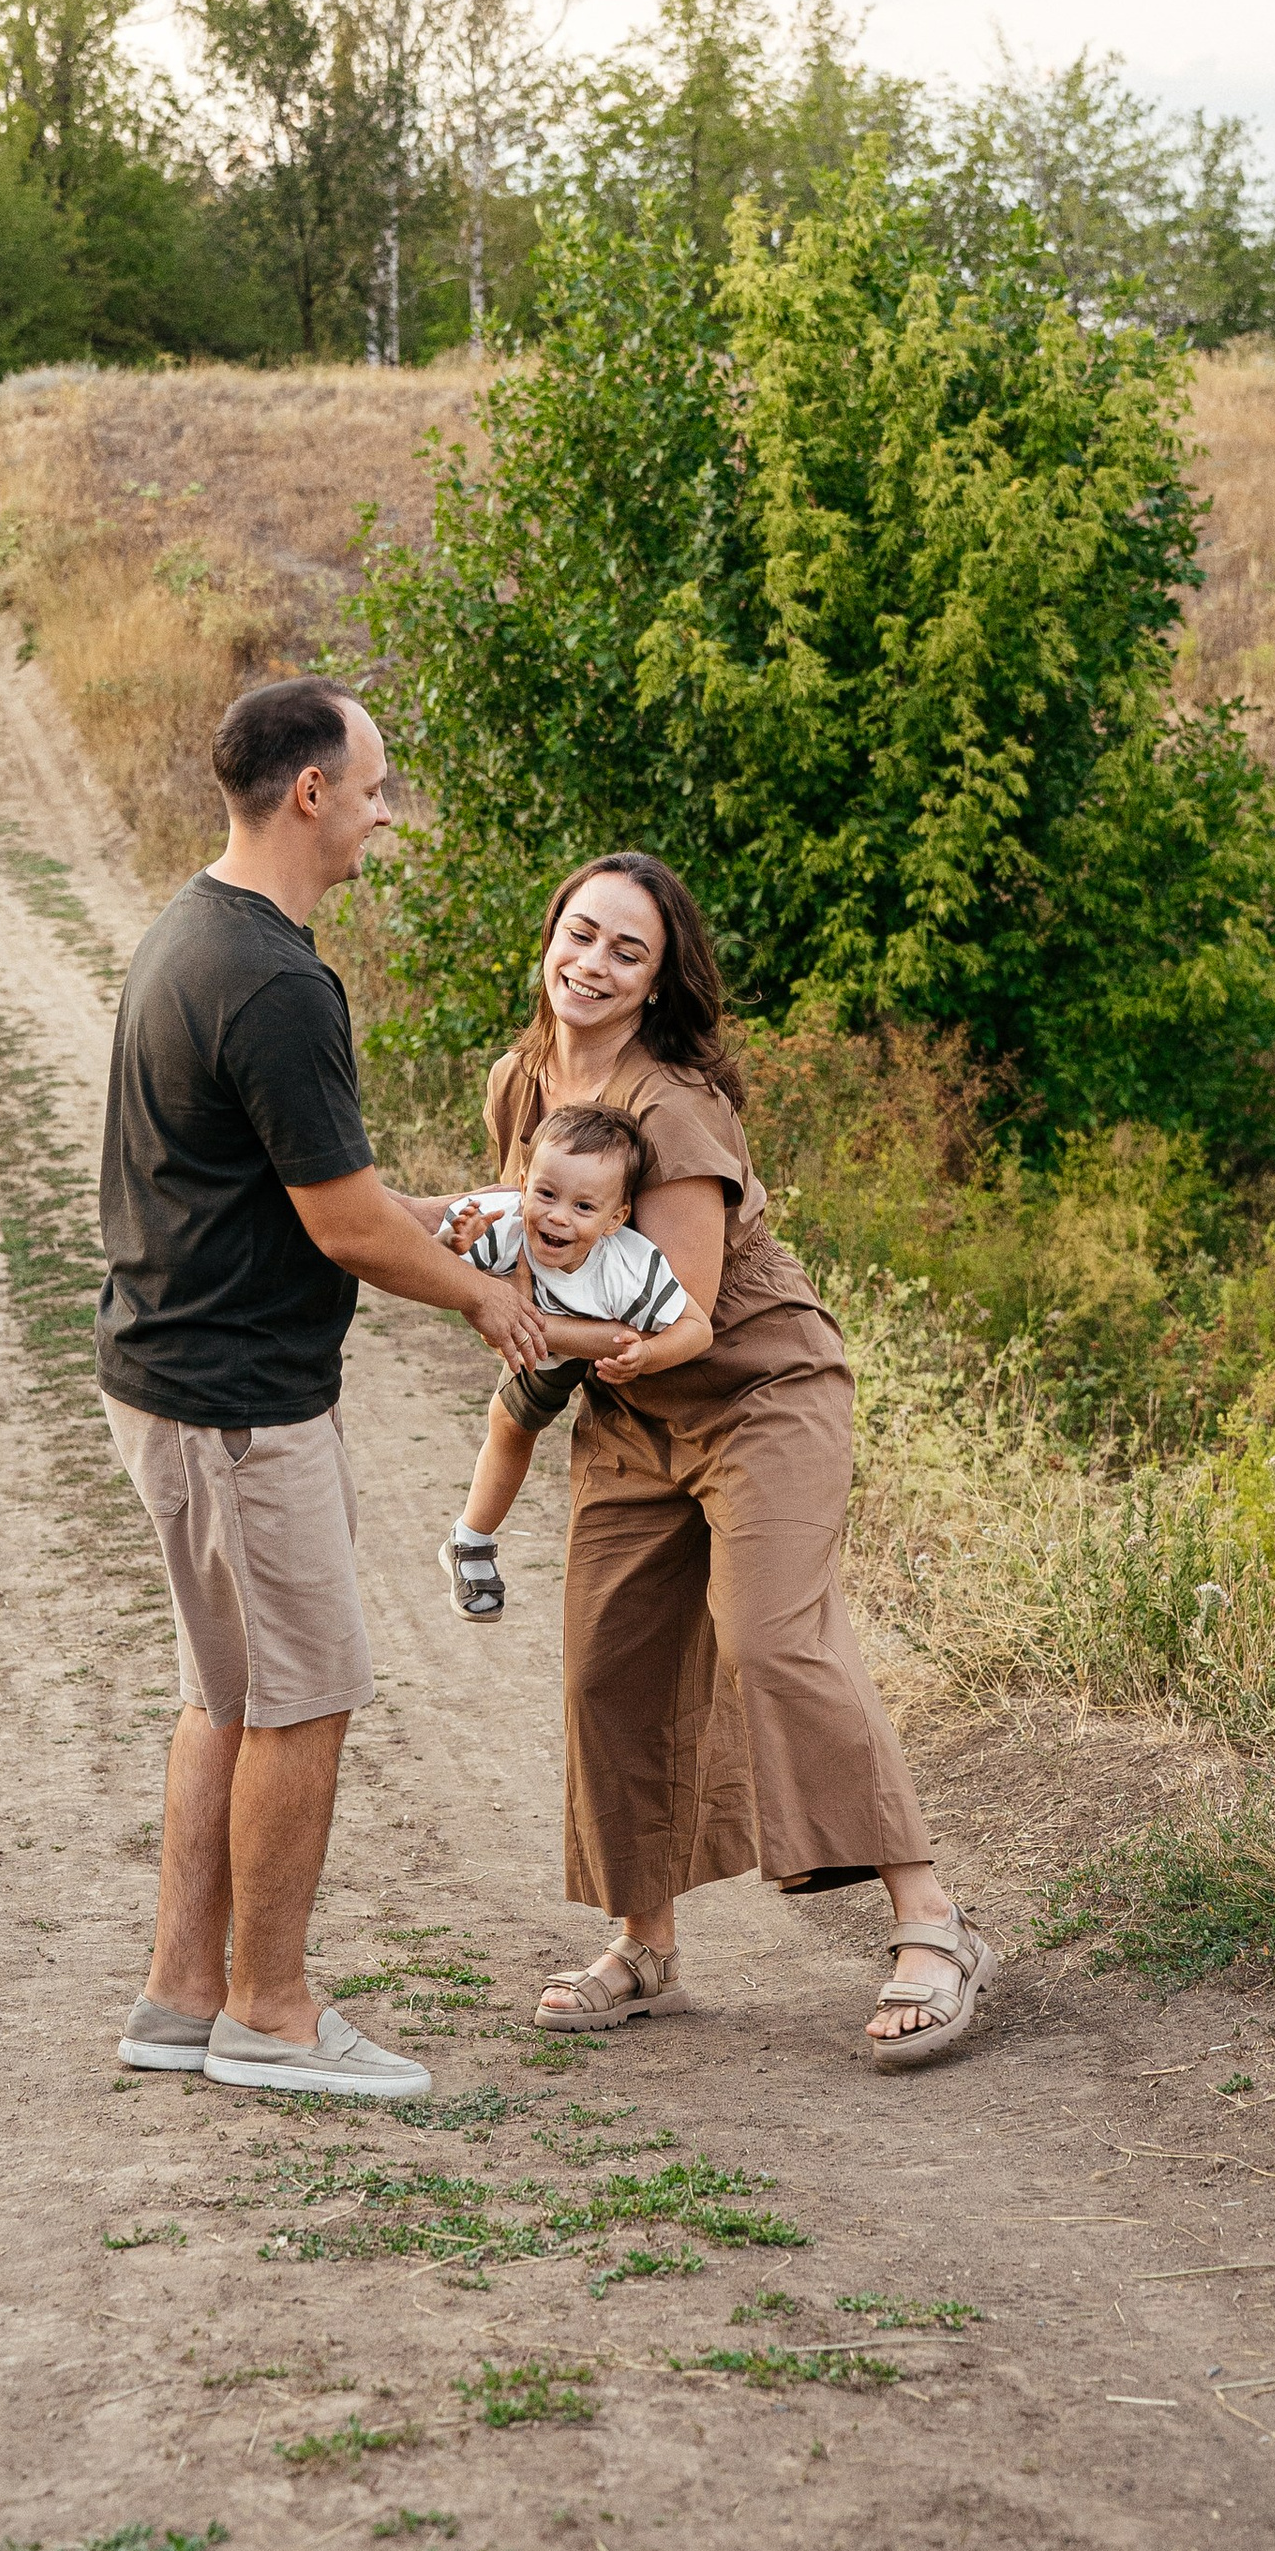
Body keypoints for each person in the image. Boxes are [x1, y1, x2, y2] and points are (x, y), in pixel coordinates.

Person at [464, 849, 997, 2067]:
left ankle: (934, 1924)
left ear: (656, 984)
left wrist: (488, 1307)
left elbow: (676, 1312)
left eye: (626, 951)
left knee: (773, 1639)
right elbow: (536, 1248)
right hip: (630, 1412)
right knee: (610, 1664)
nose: (591, 964)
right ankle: (643, 1945)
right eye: (579, 934)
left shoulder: (675, 1112)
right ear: (548, 934)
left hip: (761, 1389)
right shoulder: (521, 1080)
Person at [97, 675, 548, 2101]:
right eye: (373, 786)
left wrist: (425, 1209)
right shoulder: (280, 980)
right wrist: (486, 1294)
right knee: (304, 1695)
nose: (381, 812)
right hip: (238, 1400)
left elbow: (316, 1193)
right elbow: (339, 1229)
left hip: (175, 1378)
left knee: (226, 1693)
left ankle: (181, 2000)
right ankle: (272, 2015)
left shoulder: (195, 928)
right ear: (309, 793)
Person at [433, 1102, 714, 1620]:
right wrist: (457, 1244)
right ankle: (471, 1540)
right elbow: (429, 1266)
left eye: (584, 1207)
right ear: (523, 1184)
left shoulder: (628, 1267)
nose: (558, 1216)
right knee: (510, 1427)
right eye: (546, 1194)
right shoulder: (503, 1223)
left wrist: (648, 1354)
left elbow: (698, 1329)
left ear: (616, 1218)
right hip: (541, 1349)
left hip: (606, 1342)